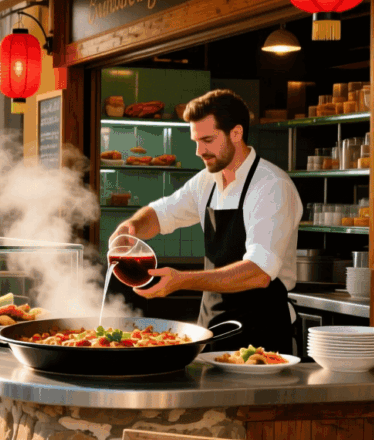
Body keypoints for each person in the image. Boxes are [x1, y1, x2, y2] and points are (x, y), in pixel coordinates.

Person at [109, 89, 302, 353]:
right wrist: (131, 228)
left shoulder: (271, 186)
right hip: (212, 333)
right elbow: (160, 213)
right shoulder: (206, 181)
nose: (199, 151)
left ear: (236, 133)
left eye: (208, 140)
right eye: (196, 141)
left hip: (262, 339)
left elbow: (258, 273)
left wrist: (181, 280)